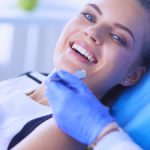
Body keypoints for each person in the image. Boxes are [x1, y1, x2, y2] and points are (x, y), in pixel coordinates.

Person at [1, 0, 150, 149]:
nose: (92, 32)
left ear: (132, 75)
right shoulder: (28, 78)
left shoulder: (67, 130)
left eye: (117, 37)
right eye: (89, 16)